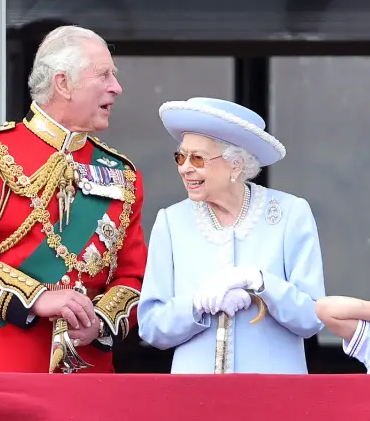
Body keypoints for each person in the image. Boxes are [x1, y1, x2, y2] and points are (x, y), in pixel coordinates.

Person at [0, 25, 147, 372]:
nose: (116, 87)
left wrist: (101, 322)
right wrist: (39, 299)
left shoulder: (122, 174)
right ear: (63, 83)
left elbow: (134, 277)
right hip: (2, 362)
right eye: (104, 75)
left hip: (88, 369)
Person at [136, 97, 324, 373]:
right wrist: (197, 304)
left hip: (274, 395)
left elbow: (311, 318)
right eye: (180, 156)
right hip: (195, 397)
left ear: (235, 165)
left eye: (197, 158)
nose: (184, 167)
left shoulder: (290, 213)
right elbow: (151, 327)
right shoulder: (171, 222)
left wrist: (261, 283)